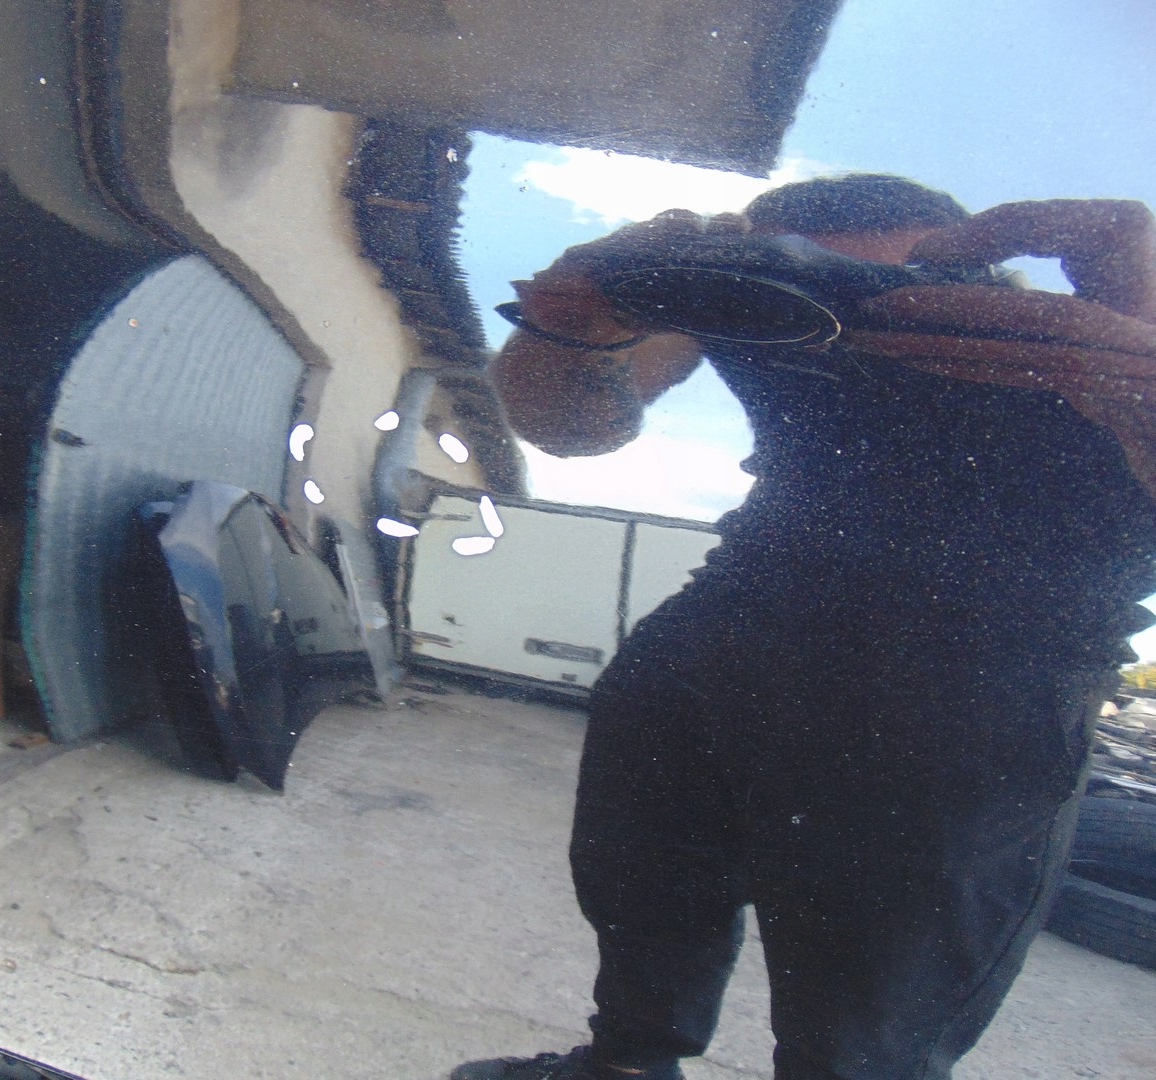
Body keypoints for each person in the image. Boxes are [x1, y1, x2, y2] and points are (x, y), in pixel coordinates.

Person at [451, 175, 1156, 1080]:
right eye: (805, 282)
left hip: (986, 678)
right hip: (742, 605)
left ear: (979, 272)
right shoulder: (751, 304)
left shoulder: (1081, 350)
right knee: (639, 879)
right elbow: (571, 430)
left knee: (869, 1017)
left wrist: (1139, 392)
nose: (839, 313)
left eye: (880, 289)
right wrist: (573, 318)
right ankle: (623, 1066)